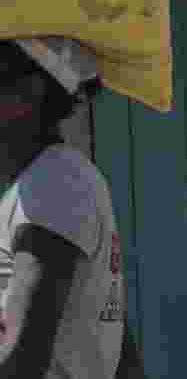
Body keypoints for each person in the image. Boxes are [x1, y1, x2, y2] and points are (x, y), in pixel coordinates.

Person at [0, 38, 145, 378]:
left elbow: (23, 359)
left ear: (27, 96)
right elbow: (118, 349)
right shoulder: (55, 182)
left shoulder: (52, 184)